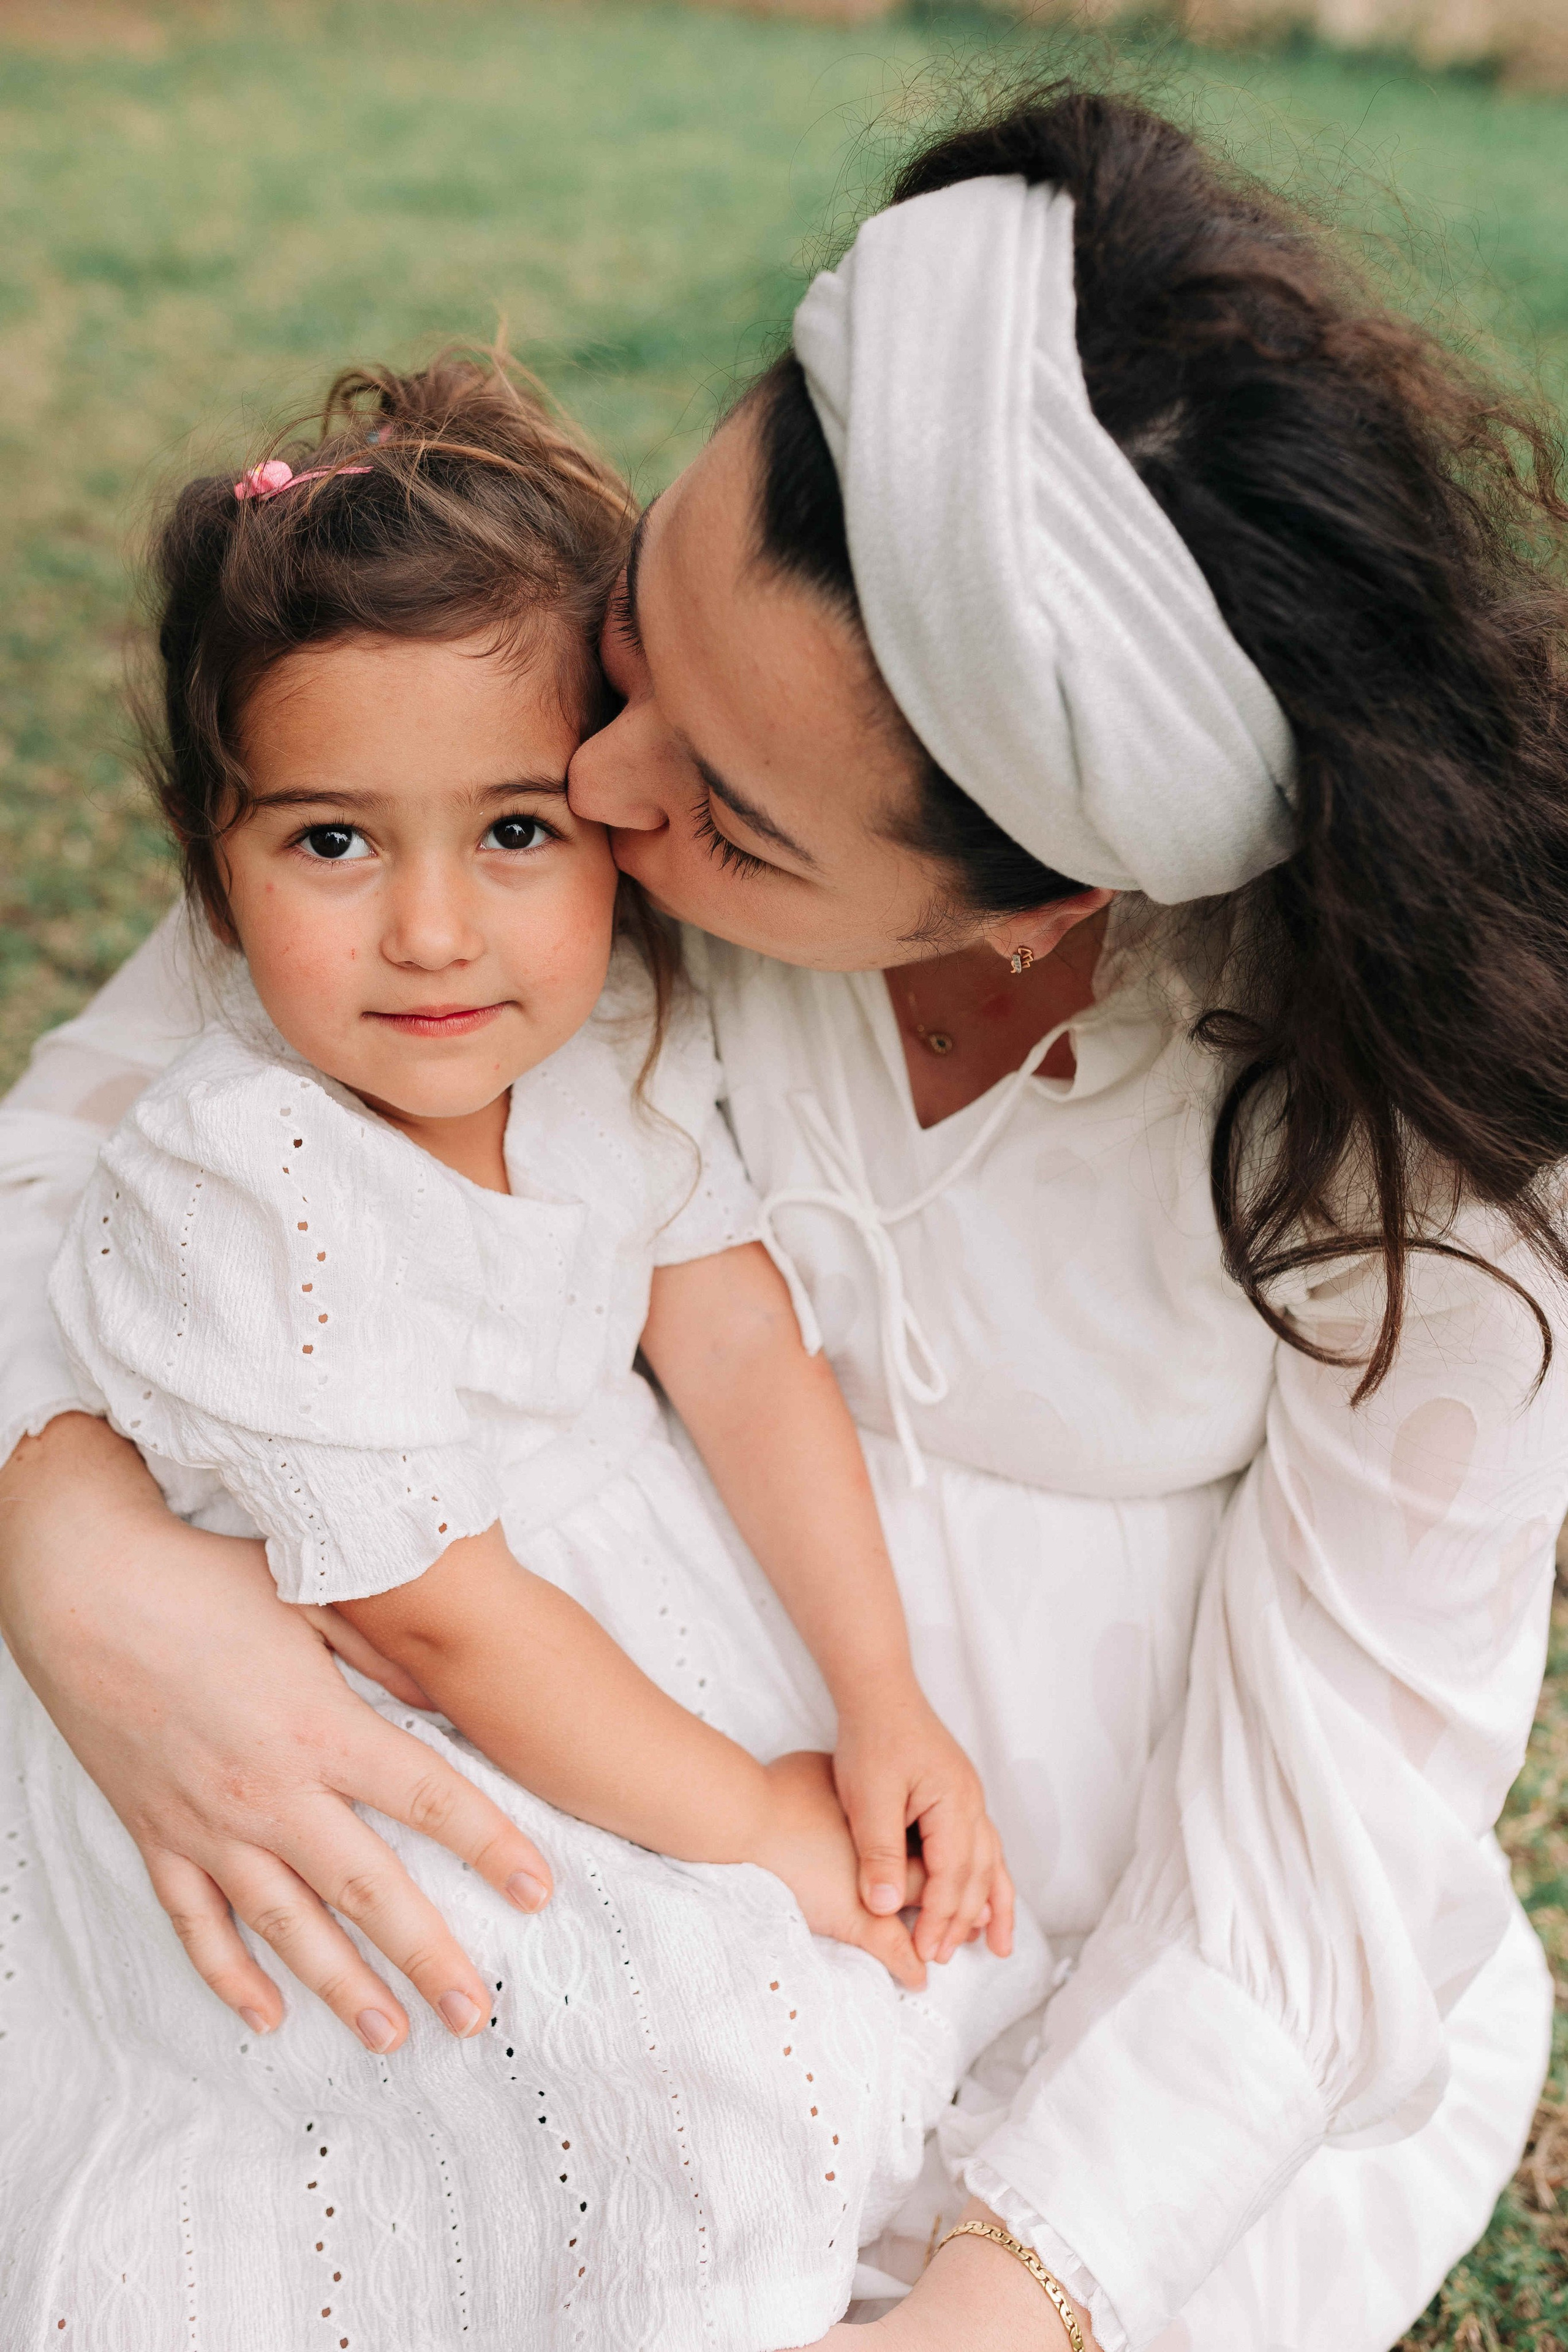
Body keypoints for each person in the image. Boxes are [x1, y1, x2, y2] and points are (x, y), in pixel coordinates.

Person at [4, 77, 1567, 2352]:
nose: (596, 787)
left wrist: (991, 2309)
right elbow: (84, 1149)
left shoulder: (1431, 1161)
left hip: (1070, 2006)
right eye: (644, 633)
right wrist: (70, 1540)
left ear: (1044, 903)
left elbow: (1321, 1873)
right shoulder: (505, 790)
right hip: (578, 1838)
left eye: (727, 820)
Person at [2, 353, 1044, 2348]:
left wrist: (877, 1693)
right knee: (604, 2065)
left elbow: (737, 1345)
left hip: (593, 1636)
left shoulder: (611, 1042)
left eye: (512, 831)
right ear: (212, 860)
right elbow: (431, 1623)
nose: (430, 932)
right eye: (332, 842)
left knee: (847, 1979)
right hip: (356, 1702)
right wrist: (750, 1818)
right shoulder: (246, 1177)